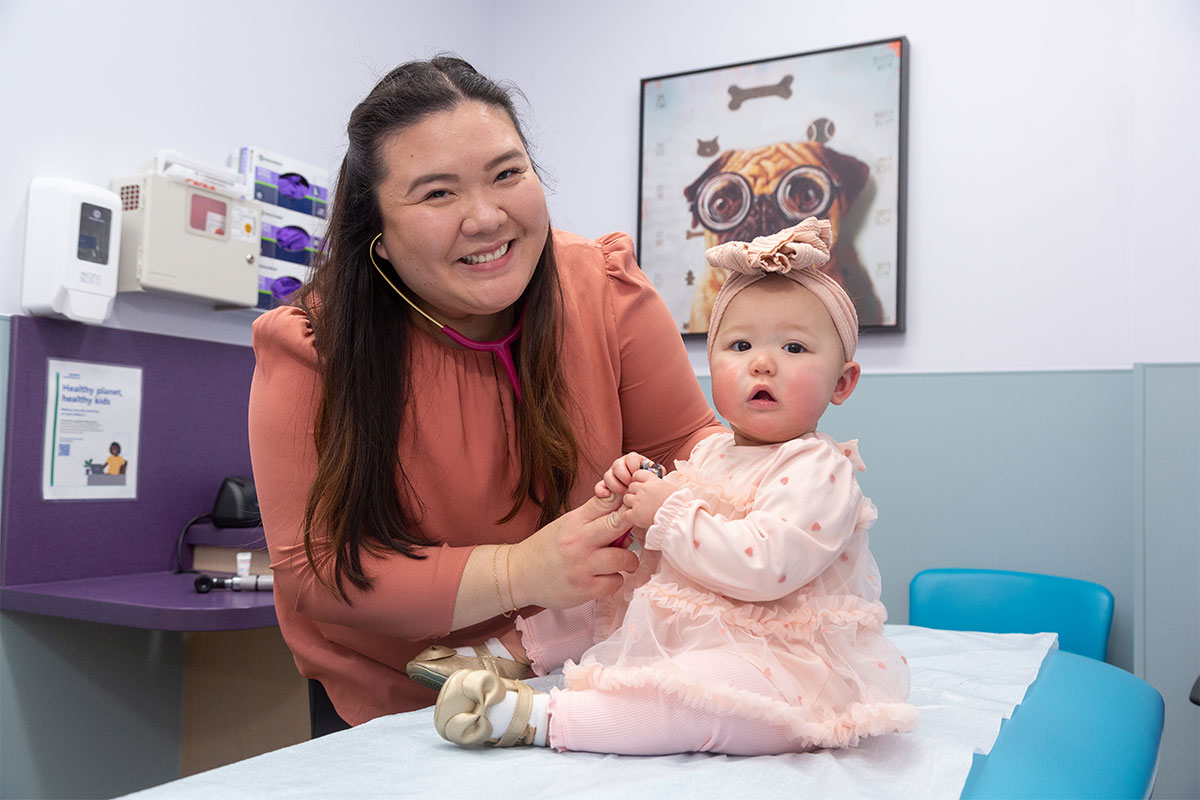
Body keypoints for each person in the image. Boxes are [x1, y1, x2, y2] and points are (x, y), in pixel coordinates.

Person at [247, 56, 724, 727]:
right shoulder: (312, 345)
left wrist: (774, 482)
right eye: (438, 194)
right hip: (394, 704)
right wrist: (519, 573)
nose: (485, 217)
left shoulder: (606, 289)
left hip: (586, 676)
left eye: (507, 174)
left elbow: (690, 450)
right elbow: (316, 570)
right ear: (377, 237)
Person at [433, 218, 918, 755]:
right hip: (703, 622)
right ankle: (515, 650)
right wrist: (638, 490)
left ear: (842, 382)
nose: (762, 362)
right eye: (740, 345)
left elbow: (767, 565)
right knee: (614, 576)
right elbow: (670, 542)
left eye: (795, 348)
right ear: (711, 365)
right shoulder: (711, 452)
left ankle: (541, 718)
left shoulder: (819, 469)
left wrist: (668, 514)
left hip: (778, 652)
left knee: (710, 693)